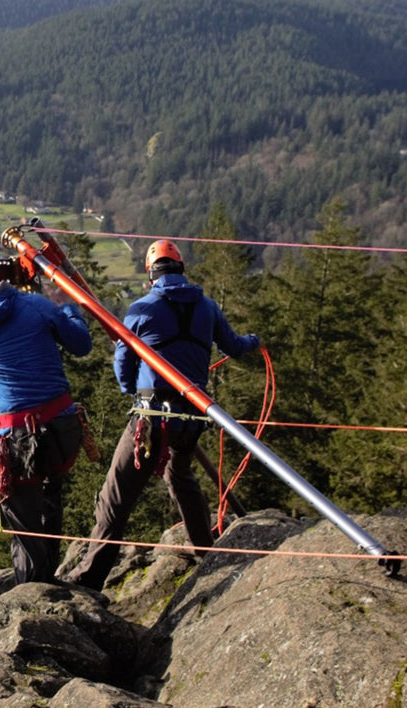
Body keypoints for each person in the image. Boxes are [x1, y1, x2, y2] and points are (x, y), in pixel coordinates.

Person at [66, 239, 260, 590]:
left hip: (152, 415)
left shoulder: (142, 308)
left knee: (117, 496)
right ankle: (205, 551)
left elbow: (123, 361)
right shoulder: (207, 307)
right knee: (180, 477)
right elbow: (233, 345)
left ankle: (90, 578)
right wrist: (254, 341)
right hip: (192, 415)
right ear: (181, 268)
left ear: (150, 274)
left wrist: (131, 389)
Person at [0, 231, 93, 584]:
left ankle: (32, 591)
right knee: (51, 499)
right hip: (63, 427)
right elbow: (81, 344)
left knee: (23, 524)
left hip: (18, 440)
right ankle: (48, 581)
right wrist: (65, 304)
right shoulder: (36, 306)